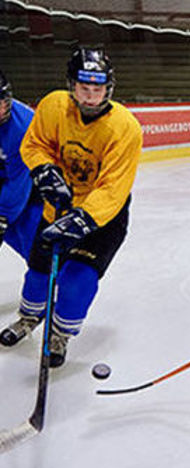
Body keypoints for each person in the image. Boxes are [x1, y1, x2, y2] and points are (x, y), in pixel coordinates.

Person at [0, 47, 142, 368]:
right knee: (38, 270)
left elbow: (113, 187)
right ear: (71, 85)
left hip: (102, 219)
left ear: (109, 88)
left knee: (78, 280)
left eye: (98, 89)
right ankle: (28, 319)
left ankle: (59, 334)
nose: (91, 97)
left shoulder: (125, 128)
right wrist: (43, 169)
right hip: (58, 208)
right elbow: (34, 145)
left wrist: (82, 219)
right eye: (84, 88)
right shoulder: (53, 106)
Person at [0, 70, 42, 266]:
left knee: (35, 249)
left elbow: (19, 183)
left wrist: (1, 218)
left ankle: (53, 281)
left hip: (30, 190)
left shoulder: (23, 126)